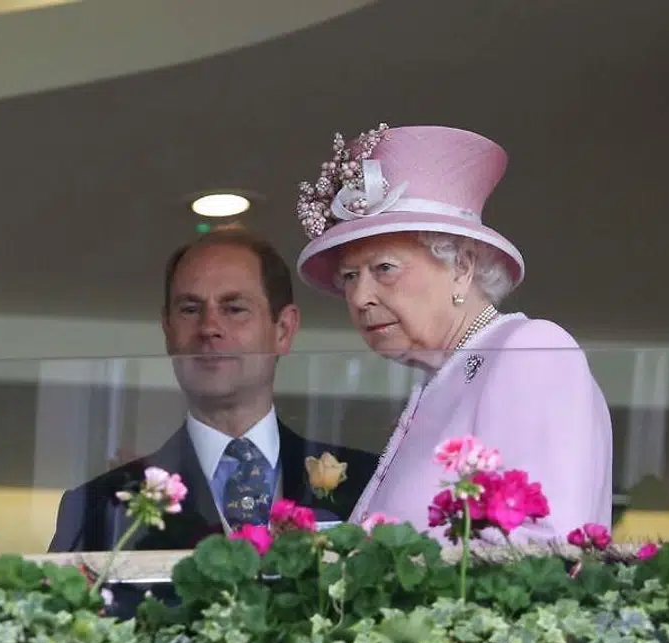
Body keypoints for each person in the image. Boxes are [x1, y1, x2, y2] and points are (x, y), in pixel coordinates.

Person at [294, 123, 612, 542]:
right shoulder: (443, 379)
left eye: (384, 269)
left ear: (461, 267)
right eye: (350, 276)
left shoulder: (530, 349)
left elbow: (543, 547)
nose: (360, 297)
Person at [49, 227, 379, 553]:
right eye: (190, 310)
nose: (209, 328)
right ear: (168, 331)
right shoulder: (97, 507)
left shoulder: (371, 483)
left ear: (284, 329)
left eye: (234, 309)